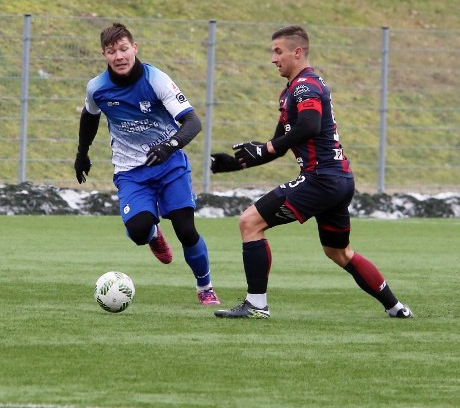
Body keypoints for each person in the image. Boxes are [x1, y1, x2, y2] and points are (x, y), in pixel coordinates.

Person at [210, 25, 413, 320]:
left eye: (277, 51)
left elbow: (309, 126)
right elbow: (279, 145)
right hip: (339, 179)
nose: (273, 58)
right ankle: (396, 307)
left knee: (249, 222)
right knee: (339, 252)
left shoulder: (306, 86)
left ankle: (256, 305)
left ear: (297, 52)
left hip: (322, 178)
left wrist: (264, 148)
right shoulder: (293, 90)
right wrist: (236, 163)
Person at [74, 23, 220, 306]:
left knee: (185, 229)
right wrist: (82, 153)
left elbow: (192, 122)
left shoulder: (157, 79)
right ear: (104, 55)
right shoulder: (97, 88)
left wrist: (169, 147)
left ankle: (205, 287)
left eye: (124, 49)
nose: (119, 56)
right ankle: (154, 235)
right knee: (139, 231)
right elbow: (89, 117)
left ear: (135, 48)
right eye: (111, 51)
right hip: (130, 171)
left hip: (169, 165)